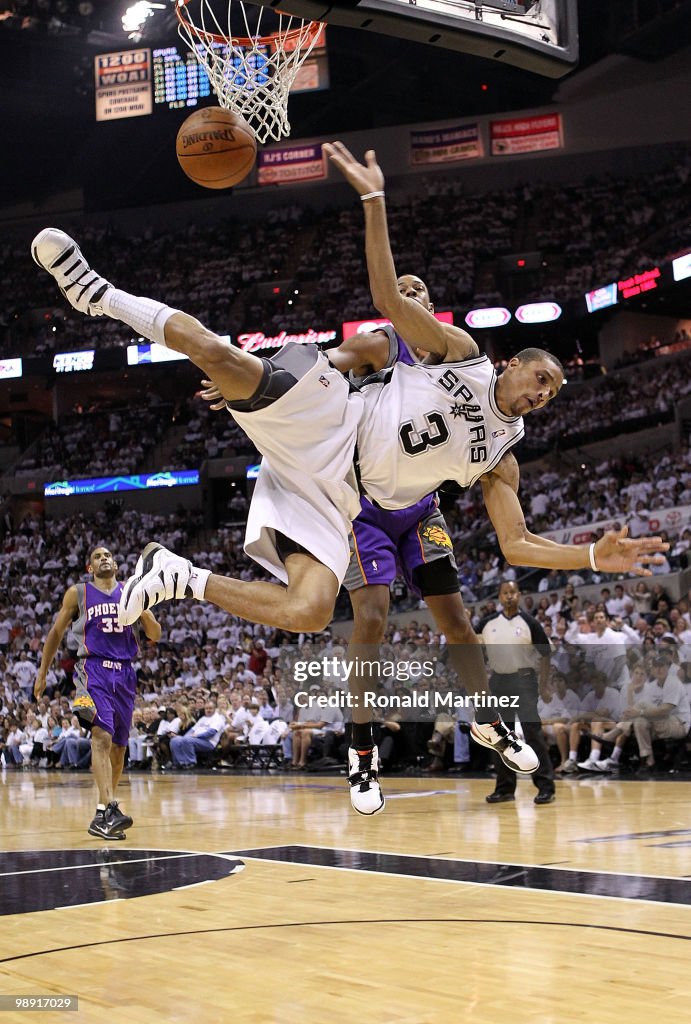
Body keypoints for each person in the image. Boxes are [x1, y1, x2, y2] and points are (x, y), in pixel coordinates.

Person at [32, 169, 665, 790]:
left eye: (553, 393)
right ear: (513, 365)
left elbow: (516, 544)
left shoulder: (504, 453)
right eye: (541, 380)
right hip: (332, 423)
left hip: (343, 497)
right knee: (221, 354)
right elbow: (378, 312)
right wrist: (374, 198)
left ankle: (182, 576)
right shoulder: (457, 354)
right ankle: (96, 292)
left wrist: (589, 556)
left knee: (310, 612)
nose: (544, 395)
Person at [34, 546, 161, 840]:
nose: (104, 558)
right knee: (100, 735)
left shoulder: (131, 591)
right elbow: (55, 633)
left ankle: (103, 812)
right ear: (90, 567)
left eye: (108, 555)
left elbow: (155, 635)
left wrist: (143, 610)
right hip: (92, 670)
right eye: (97, 557)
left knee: (119, 748)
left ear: (115, 564)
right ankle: (110, 808)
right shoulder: (78, 592)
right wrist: (43, 672)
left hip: (126, 673)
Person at [478, 580, 556, 805]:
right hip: (498, 681)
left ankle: (545, 787)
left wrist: (543, 684)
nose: (509, 596)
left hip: (524, 681)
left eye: (513, 592)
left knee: (533, 735)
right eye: (505, 593)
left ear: (519, 595)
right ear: (499, 597)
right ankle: (504, 788)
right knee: (501, 736)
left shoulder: (530, 622)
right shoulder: (487, 623)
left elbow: (546, 654)